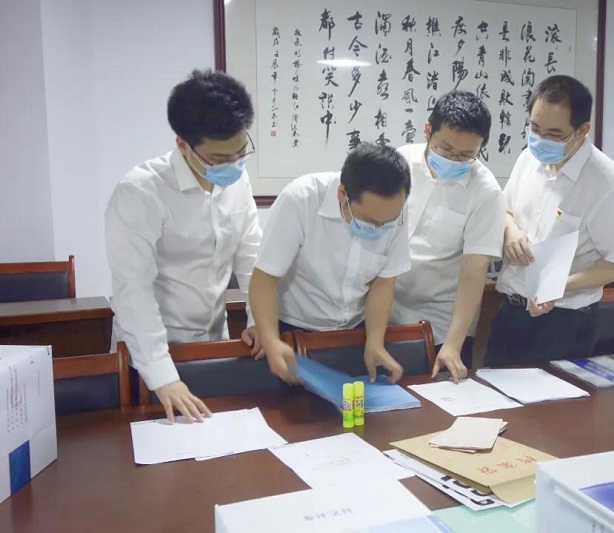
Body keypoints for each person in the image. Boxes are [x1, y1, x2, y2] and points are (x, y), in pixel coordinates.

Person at [106, 70, 262, 423]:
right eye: (219, 159)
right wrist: (163, 377)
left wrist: (259, 320)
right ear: (182, 144)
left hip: (213, 346)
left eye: (241, 152)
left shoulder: (238, 181)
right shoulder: (141, 192)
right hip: (151, 357)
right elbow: (133, 291)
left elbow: (252, 260)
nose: (233, 165)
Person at [485, 74, 614, 366]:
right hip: (511, 311)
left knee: (550, 397)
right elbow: (505, 211)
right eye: (534, 128)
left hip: (564, 321)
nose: (541, 140)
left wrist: (557, 286)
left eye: (554, 134)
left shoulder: (608, 185)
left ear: (582, 130)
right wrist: (511, 231)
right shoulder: (529, 159)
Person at [249, 143, 411, 385]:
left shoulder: (393, 211)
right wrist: (271, 339)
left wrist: (375, 340)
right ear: (342, 194)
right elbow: (265, 276)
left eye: (387, 223)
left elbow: (384, 281)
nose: (379, 228)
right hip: (292, 331)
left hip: (354, 332)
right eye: (369, 221)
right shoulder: (301, 199)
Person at [390, 90, 504, 382]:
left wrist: (453, 344)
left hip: (441, 321)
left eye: (466, 155)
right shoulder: (400, 162)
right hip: (385, 309)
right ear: (428, 131)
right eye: (445, 149)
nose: (454, 160)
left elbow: (474, 271)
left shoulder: (486, 191)